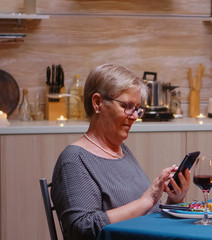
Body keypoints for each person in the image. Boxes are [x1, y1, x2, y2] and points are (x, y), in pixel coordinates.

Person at [51, 64, 191, 240]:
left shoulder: (122, 152)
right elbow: (81, 230)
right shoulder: (73, 160)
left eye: (137, 108)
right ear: (97, 102)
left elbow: (145, 215)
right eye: (127, 106)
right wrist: (145, 200)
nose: (134, 116)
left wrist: (173, 200)